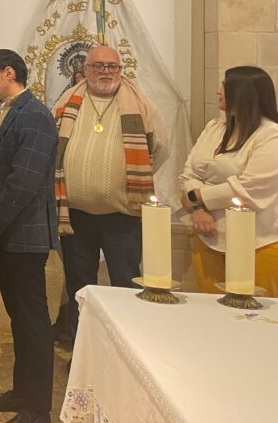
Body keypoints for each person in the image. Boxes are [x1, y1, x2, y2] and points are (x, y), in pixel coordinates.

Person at [50, 44, 169, 341]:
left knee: (126, 283)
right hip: (75, 215)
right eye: (98, 66)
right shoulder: (67, 101)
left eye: (112, 66)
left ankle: (126, 347)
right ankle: (83, 348)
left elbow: (161, 148)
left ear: (120, 70)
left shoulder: (140, 104)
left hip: (123, 214)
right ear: (84, 70)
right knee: (81, 287)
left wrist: (132, 176)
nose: (105, 72)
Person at [0, 49, 58, 423]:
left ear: (10, 73)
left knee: (34, 324)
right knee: (20, 321)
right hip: (6, 235)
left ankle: (37, 408)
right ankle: (21, 393)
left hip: (24, 237)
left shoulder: (36, 116)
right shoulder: (8, 112)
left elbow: (22, 184)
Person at [180, 66, 278, 297]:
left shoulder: (270, 135)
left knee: (253, 315)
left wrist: (195, 197)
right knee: (212, 312)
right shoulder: (215, 127)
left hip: (256, 243)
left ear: (244, 93)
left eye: (225, 85)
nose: (218, 91)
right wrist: (198, 210)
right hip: (209, 235)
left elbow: (247, 188)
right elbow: (189, 173)